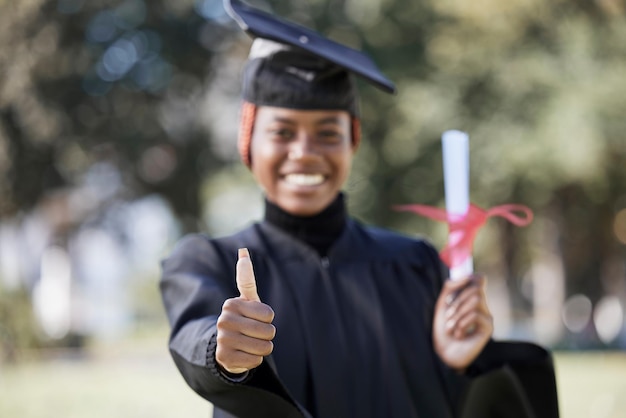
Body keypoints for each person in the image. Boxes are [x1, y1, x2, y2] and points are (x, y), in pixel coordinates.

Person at [160, 1, 559, 417]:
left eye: (328, 132)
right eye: (282, 131)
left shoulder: (416, 265)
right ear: (248, 144)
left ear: (352, 142)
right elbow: (194, 333)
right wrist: (223, 351)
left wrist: (462, 364)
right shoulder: (209, 262)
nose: (305, 153)